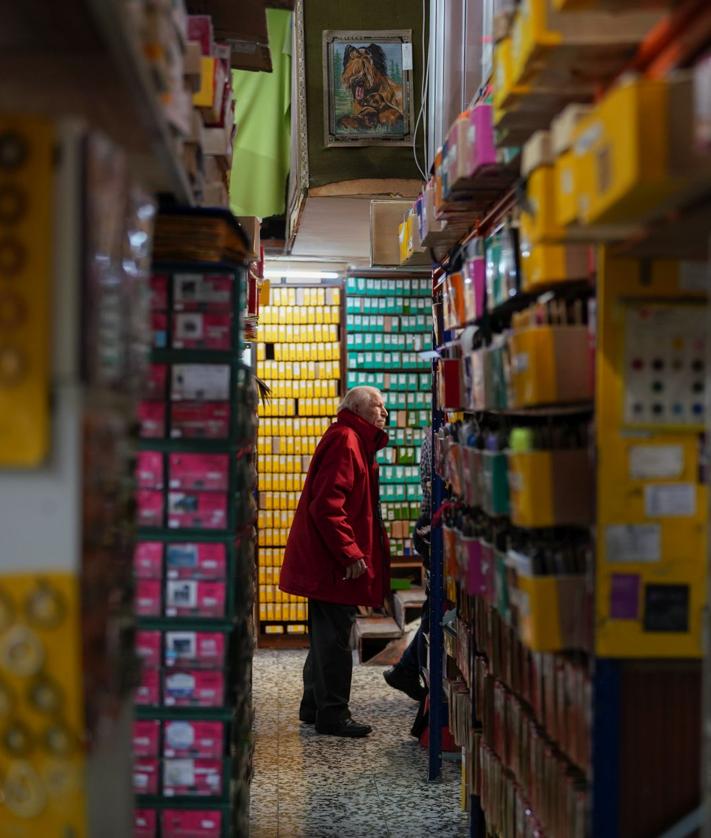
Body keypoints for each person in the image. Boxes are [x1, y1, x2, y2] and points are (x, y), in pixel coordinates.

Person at [279, 386, 390, 738]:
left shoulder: (354, 439)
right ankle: (333, 715)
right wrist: (351, 552)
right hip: (333, 564)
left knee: (325, 636)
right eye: (377, 406)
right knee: (336, 639)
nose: (384, 412)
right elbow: (327, 507)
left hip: (329, 561)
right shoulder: (347, 441)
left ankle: (313, 705)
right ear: (356, 410)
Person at [383, 426, 431, 705]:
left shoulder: (434, 435)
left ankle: (407, 668)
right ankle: (408, 668)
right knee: (436, 608)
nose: (385, 416)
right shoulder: (439, 436)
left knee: (434, 608)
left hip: (431, 528)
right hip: (432, 529)